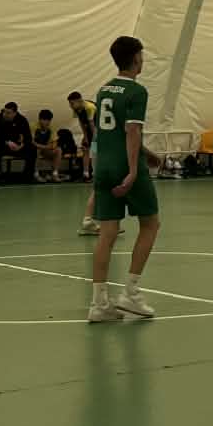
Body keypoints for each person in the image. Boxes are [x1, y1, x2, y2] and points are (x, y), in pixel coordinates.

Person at [87, 35, 165, 323]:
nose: (143, 60)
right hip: (125, 166)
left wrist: (148, 152)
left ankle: (99, 304)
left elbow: (111, 132)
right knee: (150, 224)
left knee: (107, 233)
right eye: (141, 55)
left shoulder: (104, 90)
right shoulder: (137, 91)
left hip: (104, 166)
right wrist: (134, 170)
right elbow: (131, 131)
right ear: (135, 58)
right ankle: (131, 293)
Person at [0, 102, 32, 181]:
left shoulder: (22, 120)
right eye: (4, 112)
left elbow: (28, 137)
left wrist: (21, 145)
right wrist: (7, 143)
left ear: (15, 113)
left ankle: (27, 174)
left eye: (8, 113)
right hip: (3, 146)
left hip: (18, 147)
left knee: (32, 148)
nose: (5, 114)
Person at [30, 109, 63, 183]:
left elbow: (54, 145)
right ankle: (36, 174)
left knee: (58, 150)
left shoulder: (52, 128)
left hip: (45, 149)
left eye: (49, 120)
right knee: (36, 150)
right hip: (34, 150)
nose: (47, 122)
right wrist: (46, 146)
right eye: (44, 120)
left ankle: (54, 174)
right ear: (40, 119)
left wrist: (43, 146)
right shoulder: (33, 127)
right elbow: (32, 143)